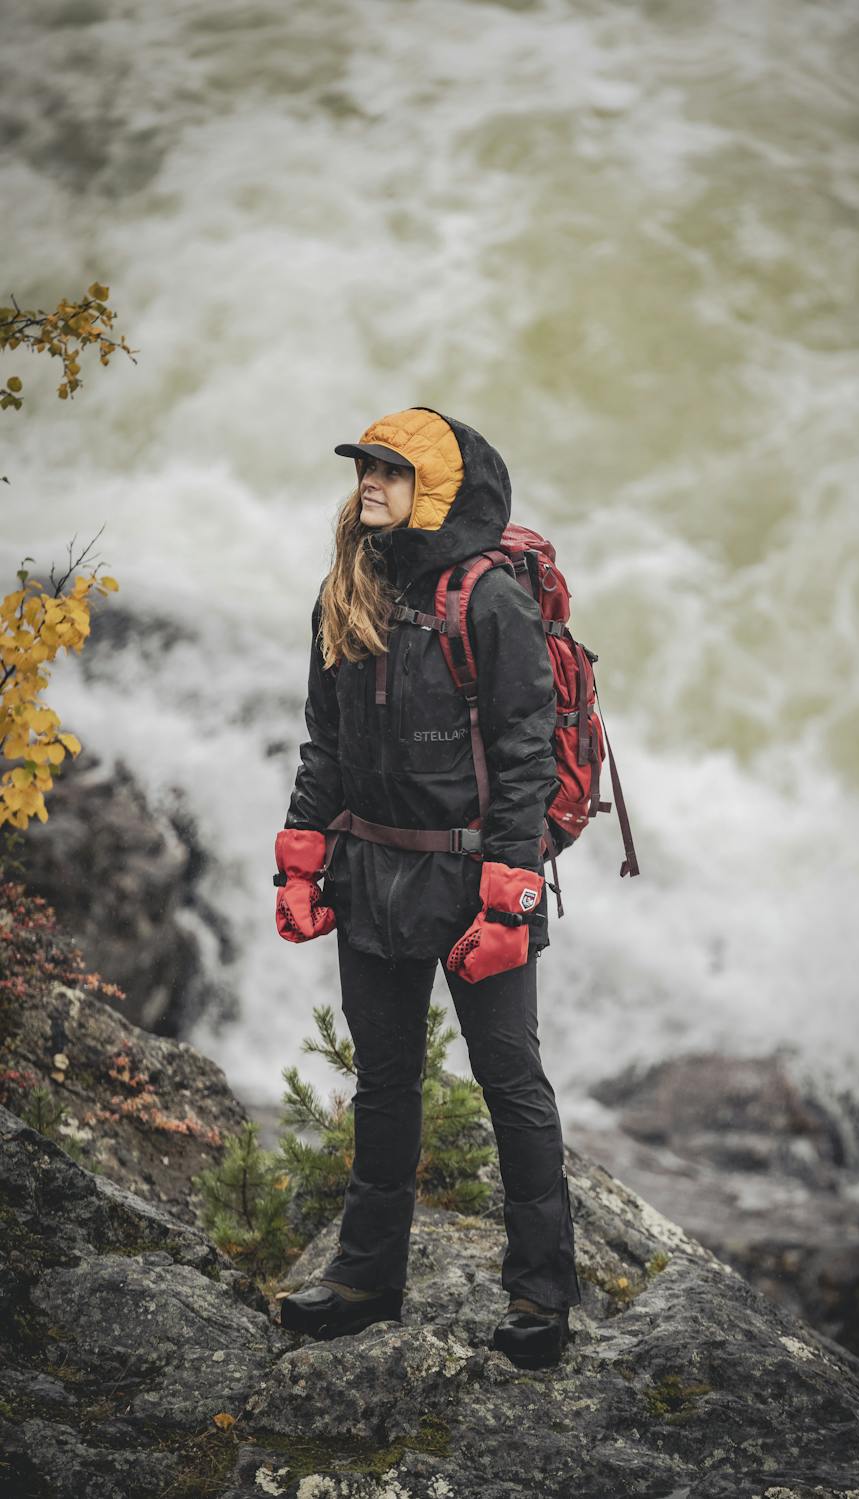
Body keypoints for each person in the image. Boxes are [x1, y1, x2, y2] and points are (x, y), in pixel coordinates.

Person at [273, 406, 582, 1370]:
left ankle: (541, 1297)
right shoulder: (347, 587)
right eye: (364, 466)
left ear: (436, 489)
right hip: (369, 872)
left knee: (510, 1081)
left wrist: (510, 896)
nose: (370, 481)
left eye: (391, 470)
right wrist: (300, 856)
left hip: (472, 877)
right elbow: (326, 741)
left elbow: (527, 757)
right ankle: (365, 1281)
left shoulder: (489, 601)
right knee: (383, 1081)